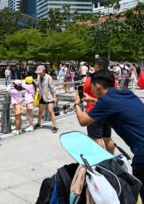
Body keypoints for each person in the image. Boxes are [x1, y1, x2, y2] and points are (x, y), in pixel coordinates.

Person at [74, 70, 144, 201]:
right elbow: (114, 106)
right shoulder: (127, 93)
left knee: (133, 189)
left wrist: (77, 104)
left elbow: (83, 121)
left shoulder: (106, 101)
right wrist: (93, 100)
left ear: (98, 86)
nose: (91, 89)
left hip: (142, 153)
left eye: (91, 86)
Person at [83, 57, 115, 154]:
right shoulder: (111, 78)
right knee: (107, 138)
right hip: (107, 111)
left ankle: (101, 162)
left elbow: (84, 93)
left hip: (94, 112)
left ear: (96, 67)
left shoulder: (91, 79)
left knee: (96, 139)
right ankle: (111, 160)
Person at [35, 65, 58, 133]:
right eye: (38, 72)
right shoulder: (38, 76)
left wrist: (54, 97)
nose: (39, 73)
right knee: (40, 111)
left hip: (49, 97)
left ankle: (54, 126)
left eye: (40, 72)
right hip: (42, 96)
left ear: (44, 71)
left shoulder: (48, 77)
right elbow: (37, 84)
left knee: (50, 111)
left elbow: (52, 88)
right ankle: (39, 123)